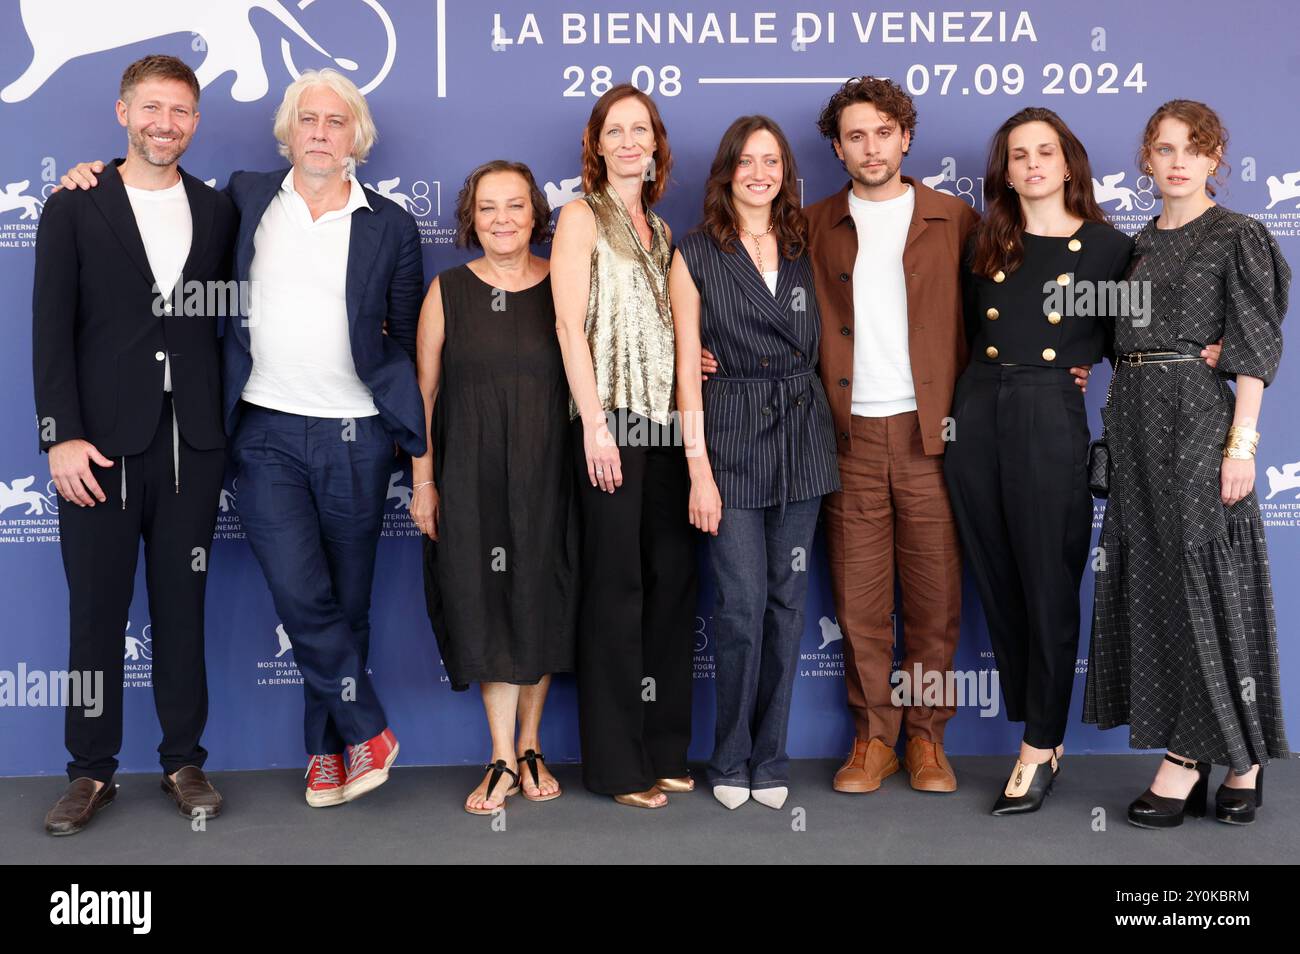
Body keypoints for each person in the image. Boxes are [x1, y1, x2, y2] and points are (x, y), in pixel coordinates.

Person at [33, 54, 235, 834]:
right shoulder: (75, 205)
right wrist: (61, 436)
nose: (165, 124)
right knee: (96, 615)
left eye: (181, 111)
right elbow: (50, 330)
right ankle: (89, 772)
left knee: (182, 609)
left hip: (193, 446)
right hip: (98, 451)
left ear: (195, 121)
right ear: (124, 113)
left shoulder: (218, 211)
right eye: (152, 108)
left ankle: (184, 761)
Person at [1083, 100, 1290, 829]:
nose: (1177, 162)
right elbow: (1107, 335)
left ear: (1214, 160)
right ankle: (1227, 755)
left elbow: (1255, 349)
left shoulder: (1239, 235)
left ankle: (1200, 756)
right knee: (1159, 588)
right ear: (1147, 158)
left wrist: (1243, 445)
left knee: (1206, 584)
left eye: (1192, 150)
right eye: (1164, 149)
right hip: (1135, 427)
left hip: (1200, 424)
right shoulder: (1132, 248)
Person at [944, 107, 1133, 815]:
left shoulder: (1109, 249)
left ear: (1068, 162)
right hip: (976, 411)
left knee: (1049, 581)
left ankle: (1039, 742)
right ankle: (1040, 727)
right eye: (1018, 154)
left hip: (1049, 412)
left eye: (1044, 151)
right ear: (1004, 169)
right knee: (998, 579)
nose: (1031, 164)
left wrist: (1203, 354)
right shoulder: (987, 242)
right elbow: (953, 329)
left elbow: (1133, 346)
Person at [802, 77, 981, 795]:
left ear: (906, 137)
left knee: (935, 600)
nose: (870, 147)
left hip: (931, 438)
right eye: (854, 136)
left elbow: (999, 313)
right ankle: (872, 739)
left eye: (883, 132)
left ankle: (928, 741)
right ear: (838, 148)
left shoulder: (956, 218)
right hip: (846, 437)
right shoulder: (811, 224)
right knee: (859, 603)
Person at [671, 116, 841, 811]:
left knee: (787, 604)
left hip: (803, 437)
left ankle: (771, 757)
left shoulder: (810, 246)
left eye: (771, 161)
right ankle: (730, 756)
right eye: (746, 160)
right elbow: (687, 369)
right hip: (730, 438)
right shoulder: (693, 252)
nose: (759, 173)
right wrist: (698, 470)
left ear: (786, 173)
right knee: (739, 606)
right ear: (726, 172)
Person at [411, 160, 578, 814]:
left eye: (514, 206)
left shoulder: (564, 286)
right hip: (470, 476)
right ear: (470, 218)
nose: (502, 219)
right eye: (488, 207)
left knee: (539, 601)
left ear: (537, 214)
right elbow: (423, 395)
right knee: (485, 606)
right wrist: (423, 484)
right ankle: (501, 758)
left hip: (551, 475)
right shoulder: (446, 291)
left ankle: (531, 746)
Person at [552, 84, 697, 809]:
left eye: (642, 129)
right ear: (597, 144)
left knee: (671, 585)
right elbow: (569, 328)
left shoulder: (664, 232)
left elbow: (669, 324)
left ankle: (665, 747)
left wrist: (688, 360)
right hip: (610, 421)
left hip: (667, 426)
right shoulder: (580, 217)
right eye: (617, 130)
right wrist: (595, 426)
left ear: (657, 143)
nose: (630, 141)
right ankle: (616, 766)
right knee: (616, 591)